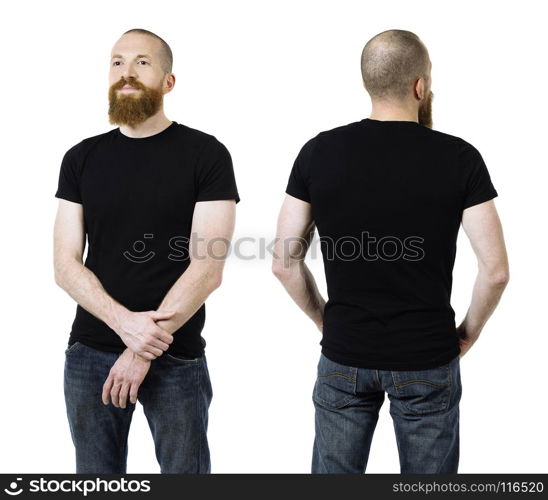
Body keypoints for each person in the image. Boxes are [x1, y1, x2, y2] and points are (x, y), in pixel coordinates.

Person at [272, 29, 509, 474]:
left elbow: (284, 262)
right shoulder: (460, 158)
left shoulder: (318, 152)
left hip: (345, 353)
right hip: (427, 355)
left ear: (369, 83)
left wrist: (327, 320)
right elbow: (495, 271)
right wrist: (468, 333)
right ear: (420, 86)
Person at [53, 28, 240, 473]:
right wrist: (124, 326)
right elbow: (65, 265)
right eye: (117, 62)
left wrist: (141, 349)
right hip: (91, 352)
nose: (126, 73)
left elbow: (207, 268)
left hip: (175, 355)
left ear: (168, 81)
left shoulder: (207, 155)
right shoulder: (80, 158)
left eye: (142, 62)